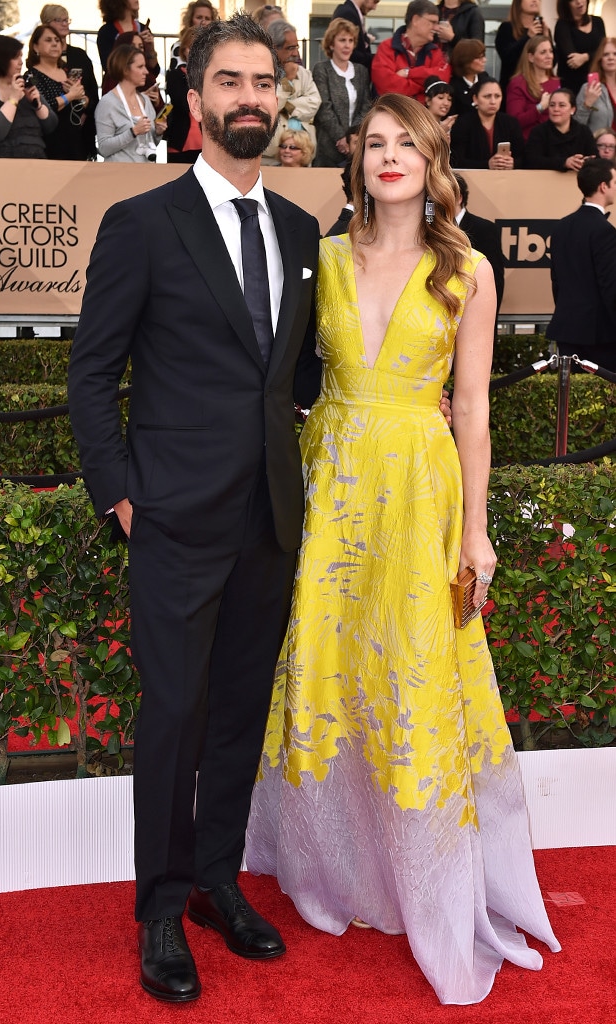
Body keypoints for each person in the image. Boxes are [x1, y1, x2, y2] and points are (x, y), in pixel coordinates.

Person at [245, 92, 560, 1006]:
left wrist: (476, 531)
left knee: (414, 679)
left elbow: (473, 411)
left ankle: (425, 881)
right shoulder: (324, 259)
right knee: (330, 673)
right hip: (332, 487)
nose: (389, 157)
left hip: (419, 495)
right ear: (356, 159)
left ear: (432, 160)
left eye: (405, 144)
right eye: (374, 142)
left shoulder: (467, 269)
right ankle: (341, 872)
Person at [68, 12, 323, 1004]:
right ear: (197, 95)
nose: (249, 98)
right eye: (231, 82)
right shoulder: (141, 222)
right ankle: (162, 907)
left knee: (235, 717)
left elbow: (295, 374)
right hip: (172, 520)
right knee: (173, 717)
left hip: (268, 518)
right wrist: (121, 495)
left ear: (279, 96)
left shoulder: (301, 231)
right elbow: (93, 376)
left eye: (264, 82)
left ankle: (218, 876)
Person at [546, 157, 616, 370]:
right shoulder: (605, 232)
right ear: (603, 186)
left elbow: (556, 282)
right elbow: (610, 287)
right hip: (600, 335)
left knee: (568, 398)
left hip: (567, 330)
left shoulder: (561, 227)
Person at [0, 33, 57, 159]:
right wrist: (13, 99)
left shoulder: (25, 84)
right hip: (3, 165)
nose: (21, 62)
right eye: (16, 57)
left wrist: (37, 105)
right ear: (1, 59)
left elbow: (51, 124)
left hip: (37, 162)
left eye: (21, 57)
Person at [39, 4, 99, 158]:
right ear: (46, 24)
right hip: (54, 130)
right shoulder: (41, 61)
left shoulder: (79, 55)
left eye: (67, 20)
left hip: (81, 130)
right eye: (59, 20)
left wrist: (85, 106)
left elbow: (92, 90)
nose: (64, 24)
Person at [311, 18, 372, 167]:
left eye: (351, 40)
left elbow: (365, 106)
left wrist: (353, 137)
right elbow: (324, 107)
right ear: (331, 44)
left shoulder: (361, 71)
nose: (347, 45)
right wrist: (340, 138)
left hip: (355, 147)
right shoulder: (322, 69)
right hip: (328, 146)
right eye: (342, 40)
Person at [261, 20, 320, 166]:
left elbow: (314, 103)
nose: (295, 53)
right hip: (273, 157)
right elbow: (270, 107)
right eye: (290, 48)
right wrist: (286, 81)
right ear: (274, 49)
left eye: (296, 47)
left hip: (303, 156)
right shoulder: (262, 74)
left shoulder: (304, 74)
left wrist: (286, 108)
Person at [27, 23, 89, 159]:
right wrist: (70, 96)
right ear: (35, 47)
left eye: (57, 40)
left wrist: (81, 97)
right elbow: (44, 105)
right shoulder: (32, 76)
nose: (55, 44)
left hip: (75, 140)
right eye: (48, 40)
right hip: (51, 142)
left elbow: (83, 104)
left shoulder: (67, 72)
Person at [94, 44, 165, 161]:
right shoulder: (108, 103)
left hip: (146, 173)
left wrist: (158, 133)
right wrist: (133, 131)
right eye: (140, 67)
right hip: (119, 175)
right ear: (125, 69)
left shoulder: (145, 100)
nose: (146, 71)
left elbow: (149, 144)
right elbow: (104, 148)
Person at [371, 0, 450, 102]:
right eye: (432, 22)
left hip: (421, 116)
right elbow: (387, 88)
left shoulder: (435, 52)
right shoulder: (387, 48)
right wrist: (424, 88)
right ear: (415, 20)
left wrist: (408, 73)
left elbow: (442, 82)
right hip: (391, 114)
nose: (436, 28)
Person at [453, 171, 505, 315]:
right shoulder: (429, 228)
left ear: (459, 198)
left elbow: (496, 280)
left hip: (474, 312)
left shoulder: (484, 229)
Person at [450, 78, 525, 168]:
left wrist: (514, 163)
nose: (493, 101)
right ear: (475, 99)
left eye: (497, 96)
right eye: (487, 96)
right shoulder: (463, 124)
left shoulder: (511, 123)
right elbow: (456, 161)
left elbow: (524, 157)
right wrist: (487, 165)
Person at [525, 86, 597, 169]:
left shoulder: (583, 131)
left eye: (561, 105)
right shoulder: (538, 132)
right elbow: (530, 161)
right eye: (552, 105)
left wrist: (586, 161)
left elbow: (596, 159)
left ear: (572, 110)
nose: (556, 109)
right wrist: (563, 162)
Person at [506, 35, 560, 140]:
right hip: (528, 142)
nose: (549, 56)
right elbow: (514, 122)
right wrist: (540, 107)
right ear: (531, 57)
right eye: (543, 52)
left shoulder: (556, 82)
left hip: (554, 141)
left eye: (551, 51)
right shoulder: (518, 83)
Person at [495, 0, 552, 99]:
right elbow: (507, 57)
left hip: (538, 90)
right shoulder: (507, 28)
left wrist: (547, 39)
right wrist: (528, 37)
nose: (535, 1)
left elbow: (552, 63)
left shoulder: (543, 30)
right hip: (513, 90)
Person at [165, 25, 202, 163]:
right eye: (191, 47)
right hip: (181, 141)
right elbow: (183, 103)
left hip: (207, 144)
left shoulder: (212, 76)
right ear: (184, 50)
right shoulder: (174, 75)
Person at [554, 0, 605, 97]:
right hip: (571, 86)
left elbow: (603, 51)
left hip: (596, 82)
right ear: (566, 4)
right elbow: (573, 60)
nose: (579, 2)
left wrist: (586, 57)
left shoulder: (598, 22)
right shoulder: (562, 25)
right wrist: (594, 55)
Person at [97, 0, 157, 77]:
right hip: (117, 84)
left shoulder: (143, 28)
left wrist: (151, 49)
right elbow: (108, 67)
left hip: (144, 84)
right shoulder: (106, 31)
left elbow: (154, 69)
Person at [575, 37, 616, 135]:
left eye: (615, 54)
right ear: (600, 60)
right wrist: (587, 104)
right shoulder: (588, 88)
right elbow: (576, 127)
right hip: (598, 147)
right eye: (606, 54)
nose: (611, 57)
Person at [331, 0, 381, 70]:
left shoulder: (350, 12)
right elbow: (351, 54)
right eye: (375, 2)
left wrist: (366, 39)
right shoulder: (347, 13)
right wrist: (380, 58)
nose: (374, 8)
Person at [168, 0, 218, 70]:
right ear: (190, 20)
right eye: (199, 17)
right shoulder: (179, 47)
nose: (203, 22)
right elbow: (176, 77)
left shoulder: (217, 46)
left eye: (207, 18)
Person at [448, 37, 489, 115]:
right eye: (480, 58)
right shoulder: (453, 87)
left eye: (484, 56)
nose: (484, 60)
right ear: (466, 60)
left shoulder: (484, 78)